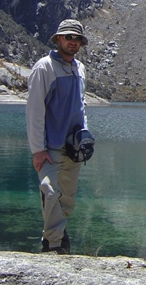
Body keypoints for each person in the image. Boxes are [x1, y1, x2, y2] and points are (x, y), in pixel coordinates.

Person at [26, 18, 90, 254]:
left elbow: (81, 105)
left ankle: (59, 236)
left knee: (67, 199)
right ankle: (54, 244)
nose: (73, 42)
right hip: (51, 147)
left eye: (77, 38)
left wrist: (85, 136)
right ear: (58, 39)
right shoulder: (44, 68)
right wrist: (38, 149)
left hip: (74, 147)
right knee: (50, 192)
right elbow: (35, 111)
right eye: (68, 37)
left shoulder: (79, 68)